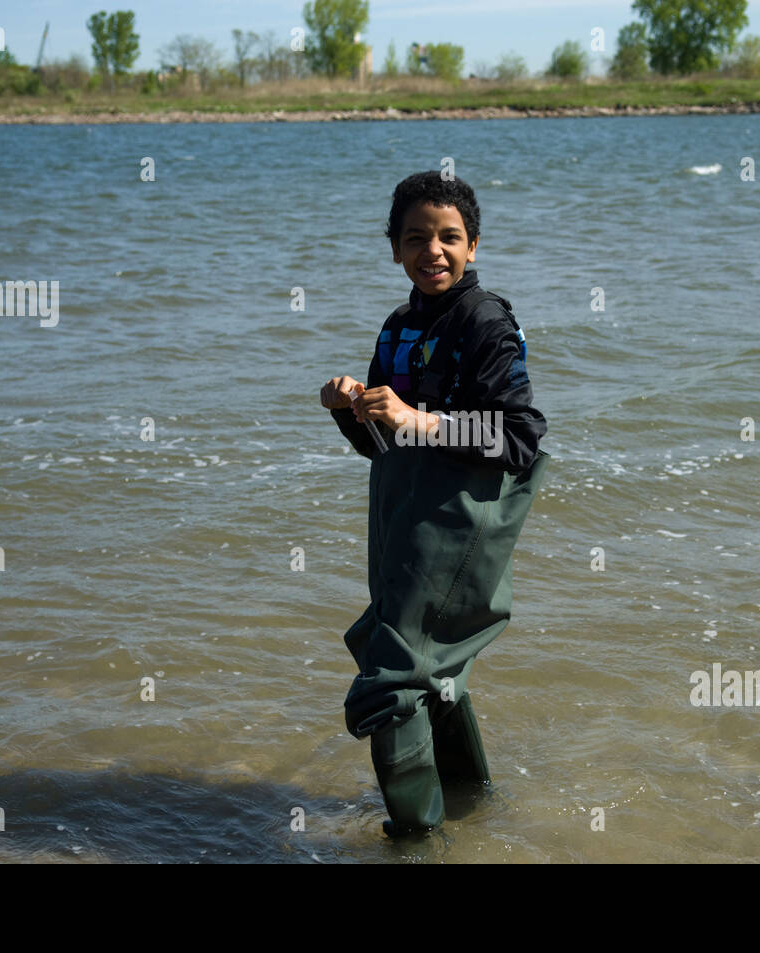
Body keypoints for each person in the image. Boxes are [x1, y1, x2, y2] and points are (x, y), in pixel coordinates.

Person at [319, 170, 549, 837]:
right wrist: (351, 407)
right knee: (430, 665)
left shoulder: (485, 319)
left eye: (450, 237)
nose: (434, 251)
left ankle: (415, 838)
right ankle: (472, 807)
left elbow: (520, 435)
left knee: (393, 674)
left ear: (473, 245)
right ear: (393, 248)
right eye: (416, 237)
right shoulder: (396, 327)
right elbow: (383, 444)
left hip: (462, 521)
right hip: (402, 520)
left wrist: (424, 420)